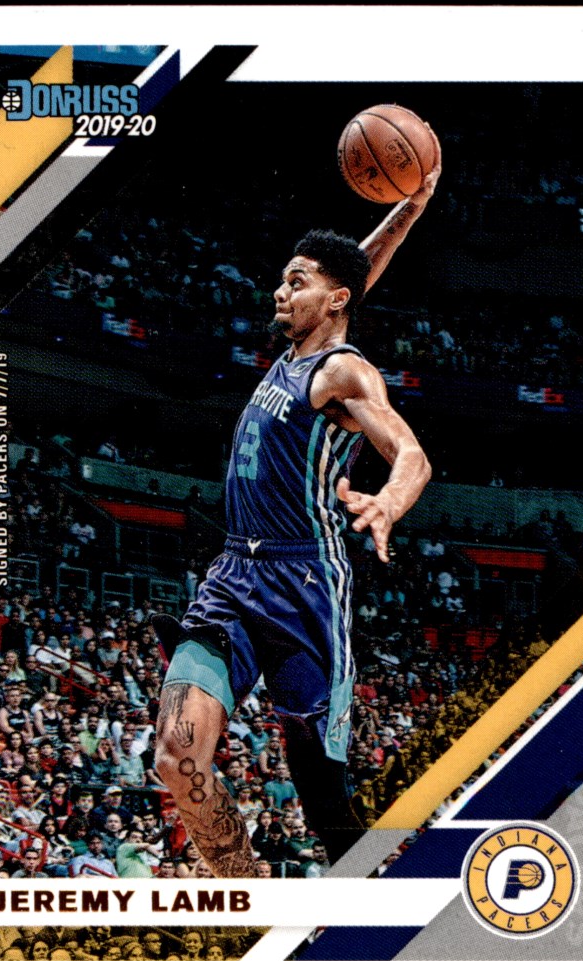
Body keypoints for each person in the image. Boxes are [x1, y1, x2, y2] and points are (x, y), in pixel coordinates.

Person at [154, 149, 440, 875]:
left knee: (322, 797)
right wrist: (408, 209)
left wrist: (388, 501)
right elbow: (354, 270)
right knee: (176, 756)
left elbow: (411, 455)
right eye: (283, 279)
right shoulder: (297, 351)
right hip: (232, 576)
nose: (280, 292)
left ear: (333, 300)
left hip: (303, 583)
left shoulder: (343, 371)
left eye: (296, 282)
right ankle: (247, 896)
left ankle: (369, 914)